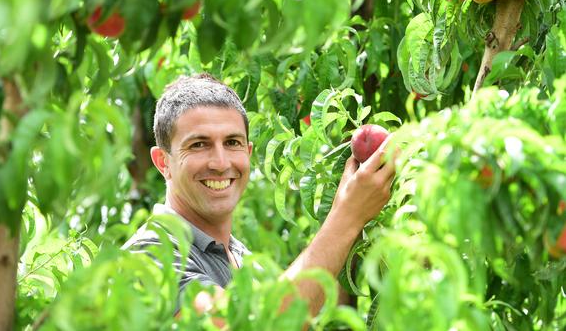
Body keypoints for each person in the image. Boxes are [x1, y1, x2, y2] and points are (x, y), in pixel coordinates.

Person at [123, 73, 396, 318]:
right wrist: (348, 215)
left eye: (232, 143)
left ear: (248, 153)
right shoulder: (149, 256)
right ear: (163, 162)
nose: (220, 162)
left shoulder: (245, 261)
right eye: (198, 144)